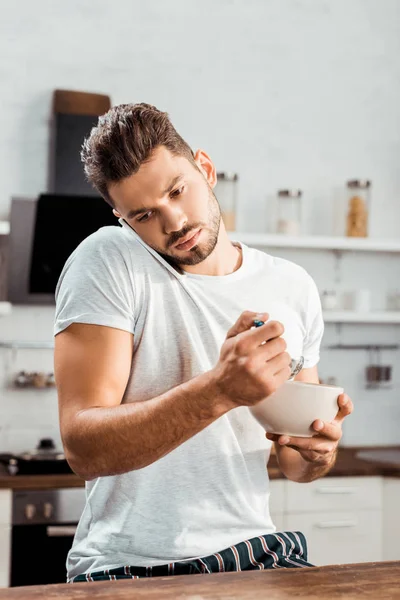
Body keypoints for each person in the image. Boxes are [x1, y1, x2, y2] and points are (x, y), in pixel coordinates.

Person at [54, 103, 353, 583]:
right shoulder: (108, 260)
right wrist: (220, 390)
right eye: (145, 214)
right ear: (123, 220)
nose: (173, 222)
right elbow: (83, 450)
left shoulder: (291, 285)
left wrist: (318, 452)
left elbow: (296, 460)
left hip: (255, 552)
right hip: (133, 566)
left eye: (178, 191)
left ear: (205, 169)